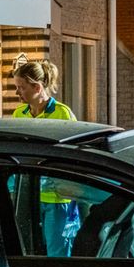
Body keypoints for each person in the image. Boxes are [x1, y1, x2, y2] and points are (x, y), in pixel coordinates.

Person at [11, 61, 78, 256]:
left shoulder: (62, 114)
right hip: (28, 193)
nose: (17, 92)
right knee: (26, 250)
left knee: (57, 252)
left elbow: (73, 156)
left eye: (21, 87)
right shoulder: (18, 114)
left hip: (57, 197)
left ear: (37, 87)